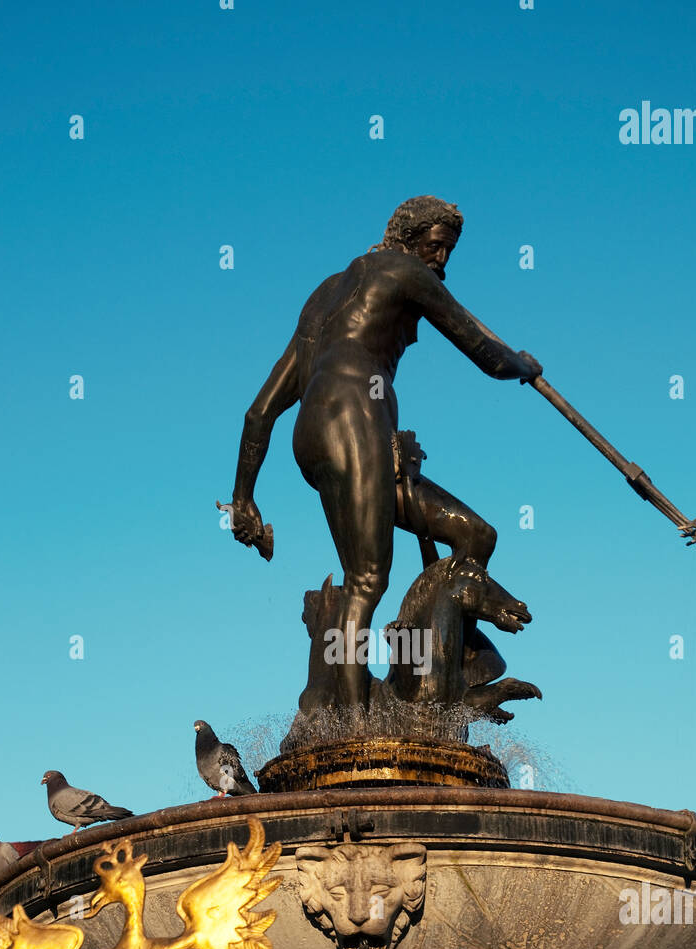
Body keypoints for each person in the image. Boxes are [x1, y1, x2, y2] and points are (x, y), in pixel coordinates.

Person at [229, 194, 542, 709]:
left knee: (474, 536)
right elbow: (484, 353)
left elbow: (259, 413)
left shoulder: (325, 295)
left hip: (322, 433)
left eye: (449, 251)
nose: (441, 261)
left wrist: (244, 497)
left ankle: (432, 670)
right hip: (352, 420)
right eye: (437, 247)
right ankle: (354, 723)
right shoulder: (404, 270)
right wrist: (523, 364)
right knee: (366, 578)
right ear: (410, 239)